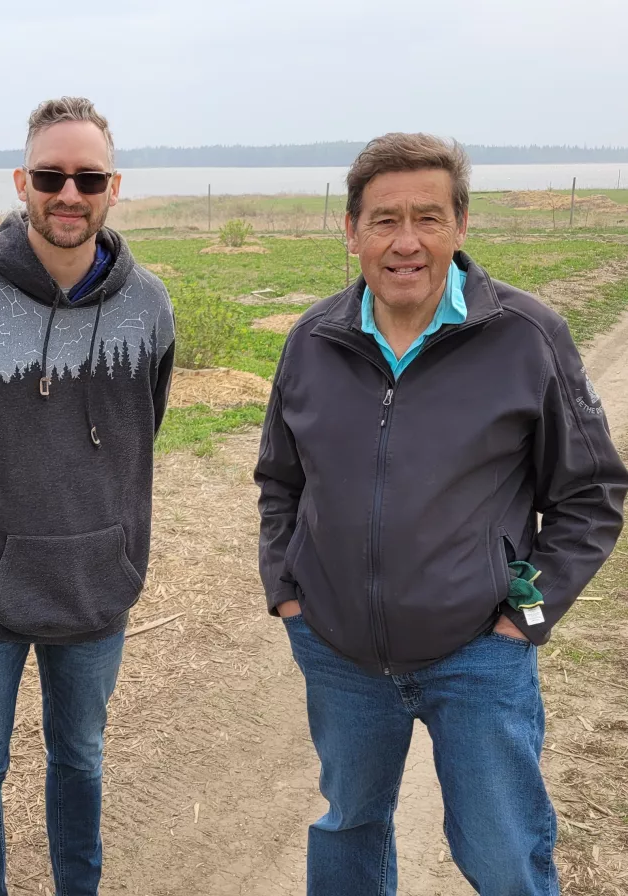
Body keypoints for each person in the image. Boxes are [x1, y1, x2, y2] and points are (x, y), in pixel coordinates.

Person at [255, 132, 628, 895]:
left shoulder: (527, 337)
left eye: (428, 218)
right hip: (340, 655)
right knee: (348, 831)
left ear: (460, 226)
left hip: (477, 657)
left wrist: (524, 616)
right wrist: (288, 591)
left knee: (503, 856)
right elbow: (280, 482)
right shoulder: (313, 341)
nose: (406, 242)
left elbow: (590, 495)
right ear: (351, 230)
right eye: (384, 220)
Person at [0, 97, 175, 896]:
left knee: (81, 756)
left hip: (97, 585)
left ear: (112, 186)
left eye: (87, 177)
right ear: (22, 181)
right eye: (51, 175)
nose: (68, 193)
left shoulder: (148, 305)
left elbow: (141, 425)